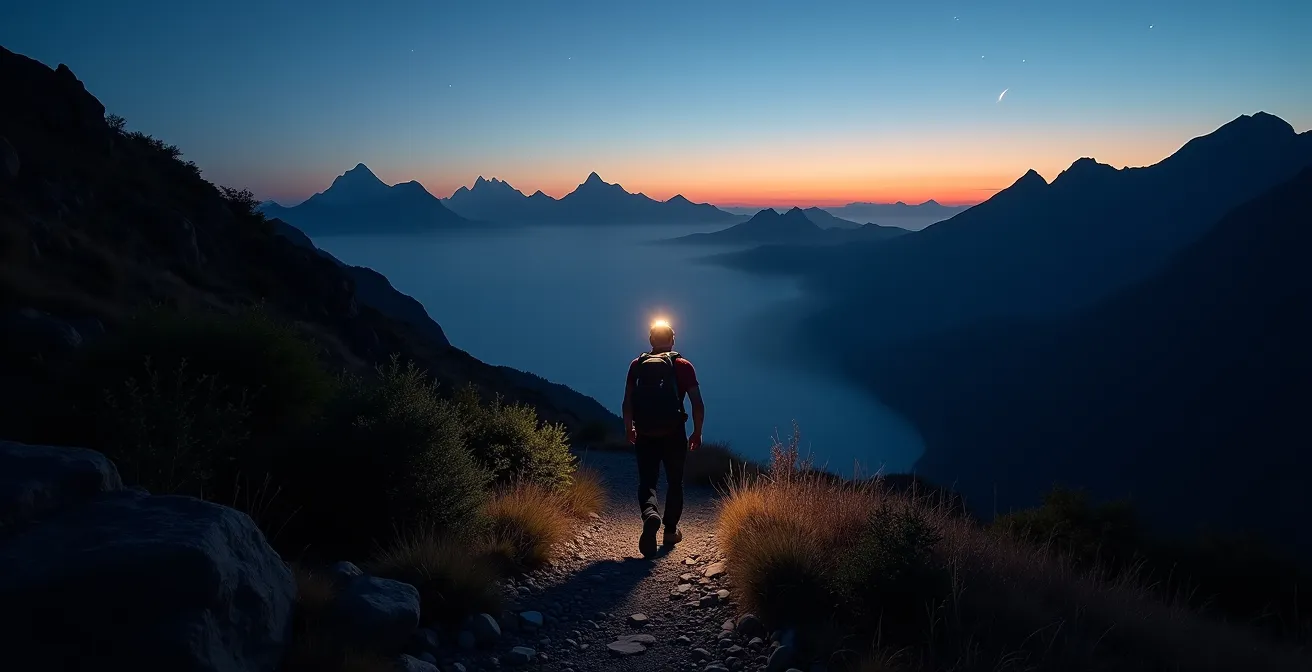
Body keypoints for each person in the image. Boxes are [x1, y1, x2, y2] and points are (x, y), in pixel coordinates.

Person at [622, 319, 704, 557]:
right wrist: (697, 432)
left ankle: (650, 515)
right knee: (675, 481)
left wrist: (629, 427)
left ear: (650, 341)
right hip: (674, 432)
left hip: (645, 431)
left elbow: (627, 400)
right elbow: (697, 403)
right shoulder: (683, 365)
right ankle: (670, 530)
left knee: (647, 481)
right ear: (672, 341)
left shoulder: (636, 365)